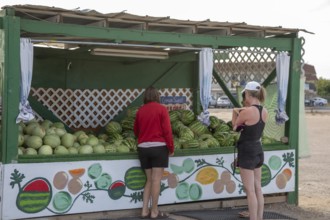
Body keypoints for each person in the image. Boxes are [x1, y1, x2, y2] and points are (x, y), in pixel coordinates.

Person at [134, 86, 174, 219]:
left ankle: (144, 210)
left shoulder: (140, 110)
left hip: (143, 148)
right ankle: (154, 211)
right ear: (157, 96)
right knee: (156, 180)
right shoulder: (162, 109)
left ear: (145, 96)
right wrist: (171, 148)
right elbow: (167, 131)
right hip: (159, 148)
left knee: (149, 180)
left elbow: (136, 131)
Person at [232, 81, 268, 220]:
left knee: (250, 190)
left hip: (247, 151)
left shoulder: (246, 112)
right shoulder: (264, 111)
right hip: (258, 150)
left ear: (247, 94)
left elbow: (234, 127)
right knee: (258, 187)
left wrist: (234, 112)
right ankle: (259, 217)